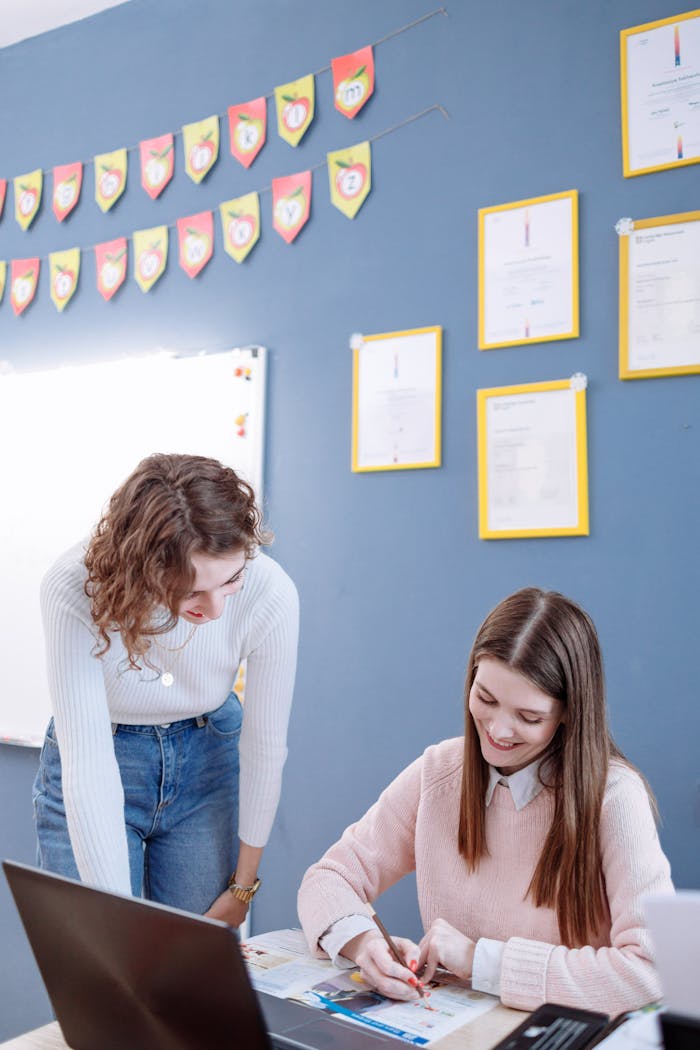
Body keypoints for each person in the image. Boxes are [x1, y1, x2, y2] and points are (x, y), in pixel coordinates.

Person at [298, 588, 673, 1015]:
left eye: (528, 717)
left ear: (569, 712)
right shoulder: (439, 772)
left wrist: (481, 961)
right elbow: (329, 877)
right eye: (485, 699)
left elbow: (652, 969)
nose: (497, 730)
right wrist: (363, 943)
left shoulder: (614, 798)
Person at [35, 452, 299, 927]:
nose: (216, 608)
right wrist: (116, 936)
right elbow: (88, 767)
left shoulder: (271, 591)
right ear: (144, 572)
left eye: (231, 579)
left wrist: (243, 886)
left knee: (195, 976)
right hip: (103, 753)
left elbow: (265, 747)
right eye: (191, 591)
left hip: (208, 759)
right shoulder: (73, 587)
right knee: (101, 969)